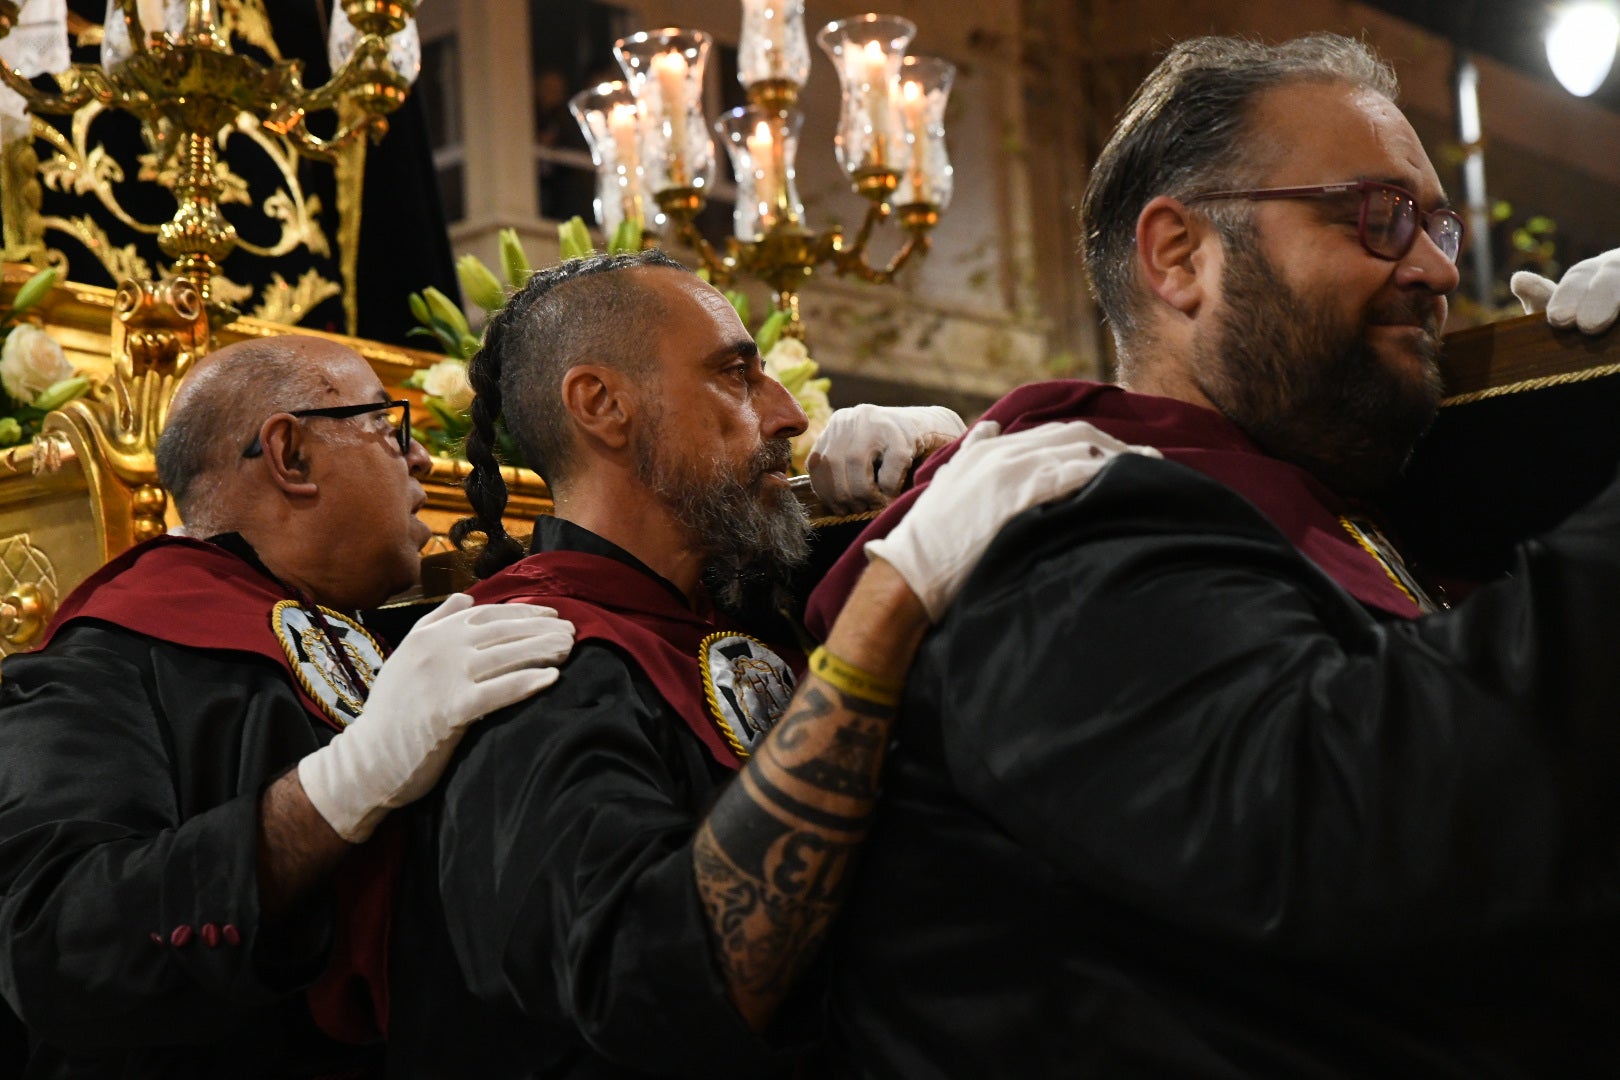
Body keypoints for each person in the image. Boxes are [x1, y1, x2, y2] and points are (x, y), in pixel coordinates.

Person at [802, 33, 1620, 1077]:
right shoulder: (1049, 516)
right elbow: (1336, 824)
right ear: (1180, 256)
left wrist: (1584, 412)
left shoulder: (1332, 504)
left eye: (1438, 225)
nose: (1435, 268)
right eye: (1378, 216)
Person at [385, 249, 1146, 1077]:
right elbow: (641, 991)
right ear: (602, 404)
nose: (787, 415)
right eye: (736, 375)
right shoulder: (526, 657)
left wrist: (936, 447)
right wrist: (885, 612)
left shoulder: (740, 594)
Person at [0, 335, 575, 1078]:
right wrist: (346, 784)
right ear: (290, 455)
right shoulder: (107, 660)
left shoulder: (390, 633)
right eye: (388, 428)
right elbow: (55, 945)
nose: (424, 459)